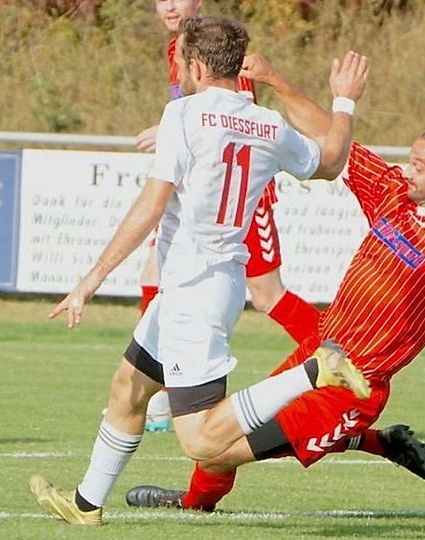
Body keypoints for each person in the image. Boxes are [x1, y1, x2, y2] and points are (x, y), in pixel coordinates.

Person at [125, 54, 425, 513]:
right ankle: (196, 504)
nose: (407, 170)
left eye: (418, 164)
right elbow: (330, 142)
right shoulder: (392, 193)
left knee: (217, 449)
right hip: (317, 353)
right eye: (409, 161)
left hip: (354, 386)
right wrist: (276, 79)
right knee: (221, 430)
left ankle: (366, 440)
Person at [29, 16, 372, 525]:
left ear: (194, 65)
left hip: (198, 291)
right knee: (129, 387)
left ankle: (314, 371)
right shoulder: (269, 124)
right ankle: (86, 505)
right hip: (201, 284)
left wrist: (91, 280)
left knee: (201, 438)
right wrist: (344, 101)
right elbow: (329, 161)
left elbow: (151, 203)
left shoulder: (184, 115)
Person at [137, 0, 323, 433]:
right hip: (204, 196)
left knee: (268, 295)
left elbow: (236, 118)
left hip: (242, 199)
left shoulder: (220, 49)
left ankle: (342, 356)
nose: (168, 6)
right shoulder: (178, 50)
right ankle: (163, 387)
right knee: (154, 267)